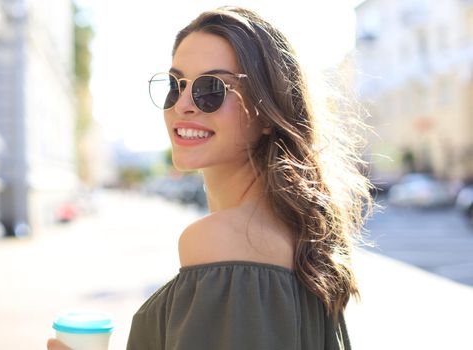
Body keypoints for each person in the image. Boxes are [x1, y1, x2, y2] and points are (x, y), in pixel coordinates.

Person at [48, 6, 373, 350]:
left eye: (210, 89)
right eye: (175, 85)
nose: (183, 104)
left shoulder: (224, 240)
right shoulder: (293, 233)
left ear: (267, 112)